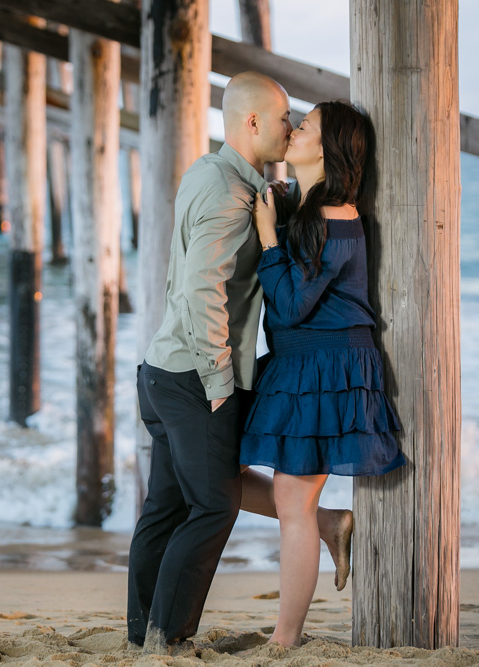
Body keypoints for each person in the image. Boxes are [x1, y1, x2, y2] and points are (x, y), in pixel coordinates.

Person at [126, 71, 293, 654]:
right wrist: (219, 380)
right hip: (194, 376)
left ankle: (143, 634)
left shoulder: (209, 171)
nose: (289, 127)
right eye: (283, 118)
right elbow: (204, 287)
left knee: (166, 507)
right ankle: (167, 641)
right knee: (214, 506)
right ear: (252, 121)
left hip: (160, 369)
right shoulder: (231, 193)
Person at [239, 100, 408, 648]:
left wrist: (268, 235)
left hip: (326, 368)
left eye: (304, 125)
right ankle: (332, 523)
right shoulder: (311, 209)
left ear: (326, 149)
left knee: (292, 504)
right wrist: (281, 213)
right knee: (221, 470)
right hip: (298, 364)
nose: (294, 129)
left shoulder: (336, 216)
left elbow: (289, 305)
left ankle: (285, 640)